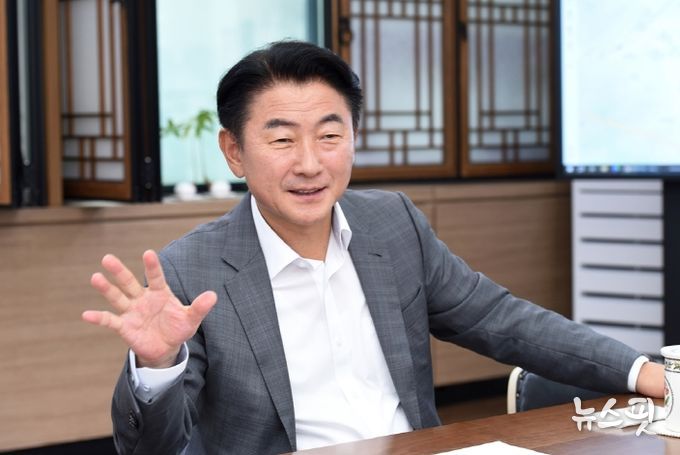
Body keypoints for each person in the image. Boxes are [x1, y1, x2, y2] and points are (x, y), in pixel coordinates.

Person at [82, 40, 664, 454]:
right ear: (234, 152)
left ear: (353, 138)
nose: (310, 163)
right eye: (282, 140)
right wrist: (156, 368)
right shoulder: (191, 269)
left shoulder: (393, 223)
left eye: (330, 136)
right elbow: (150, 448)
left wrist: (642, 372)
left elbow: (501, 319)